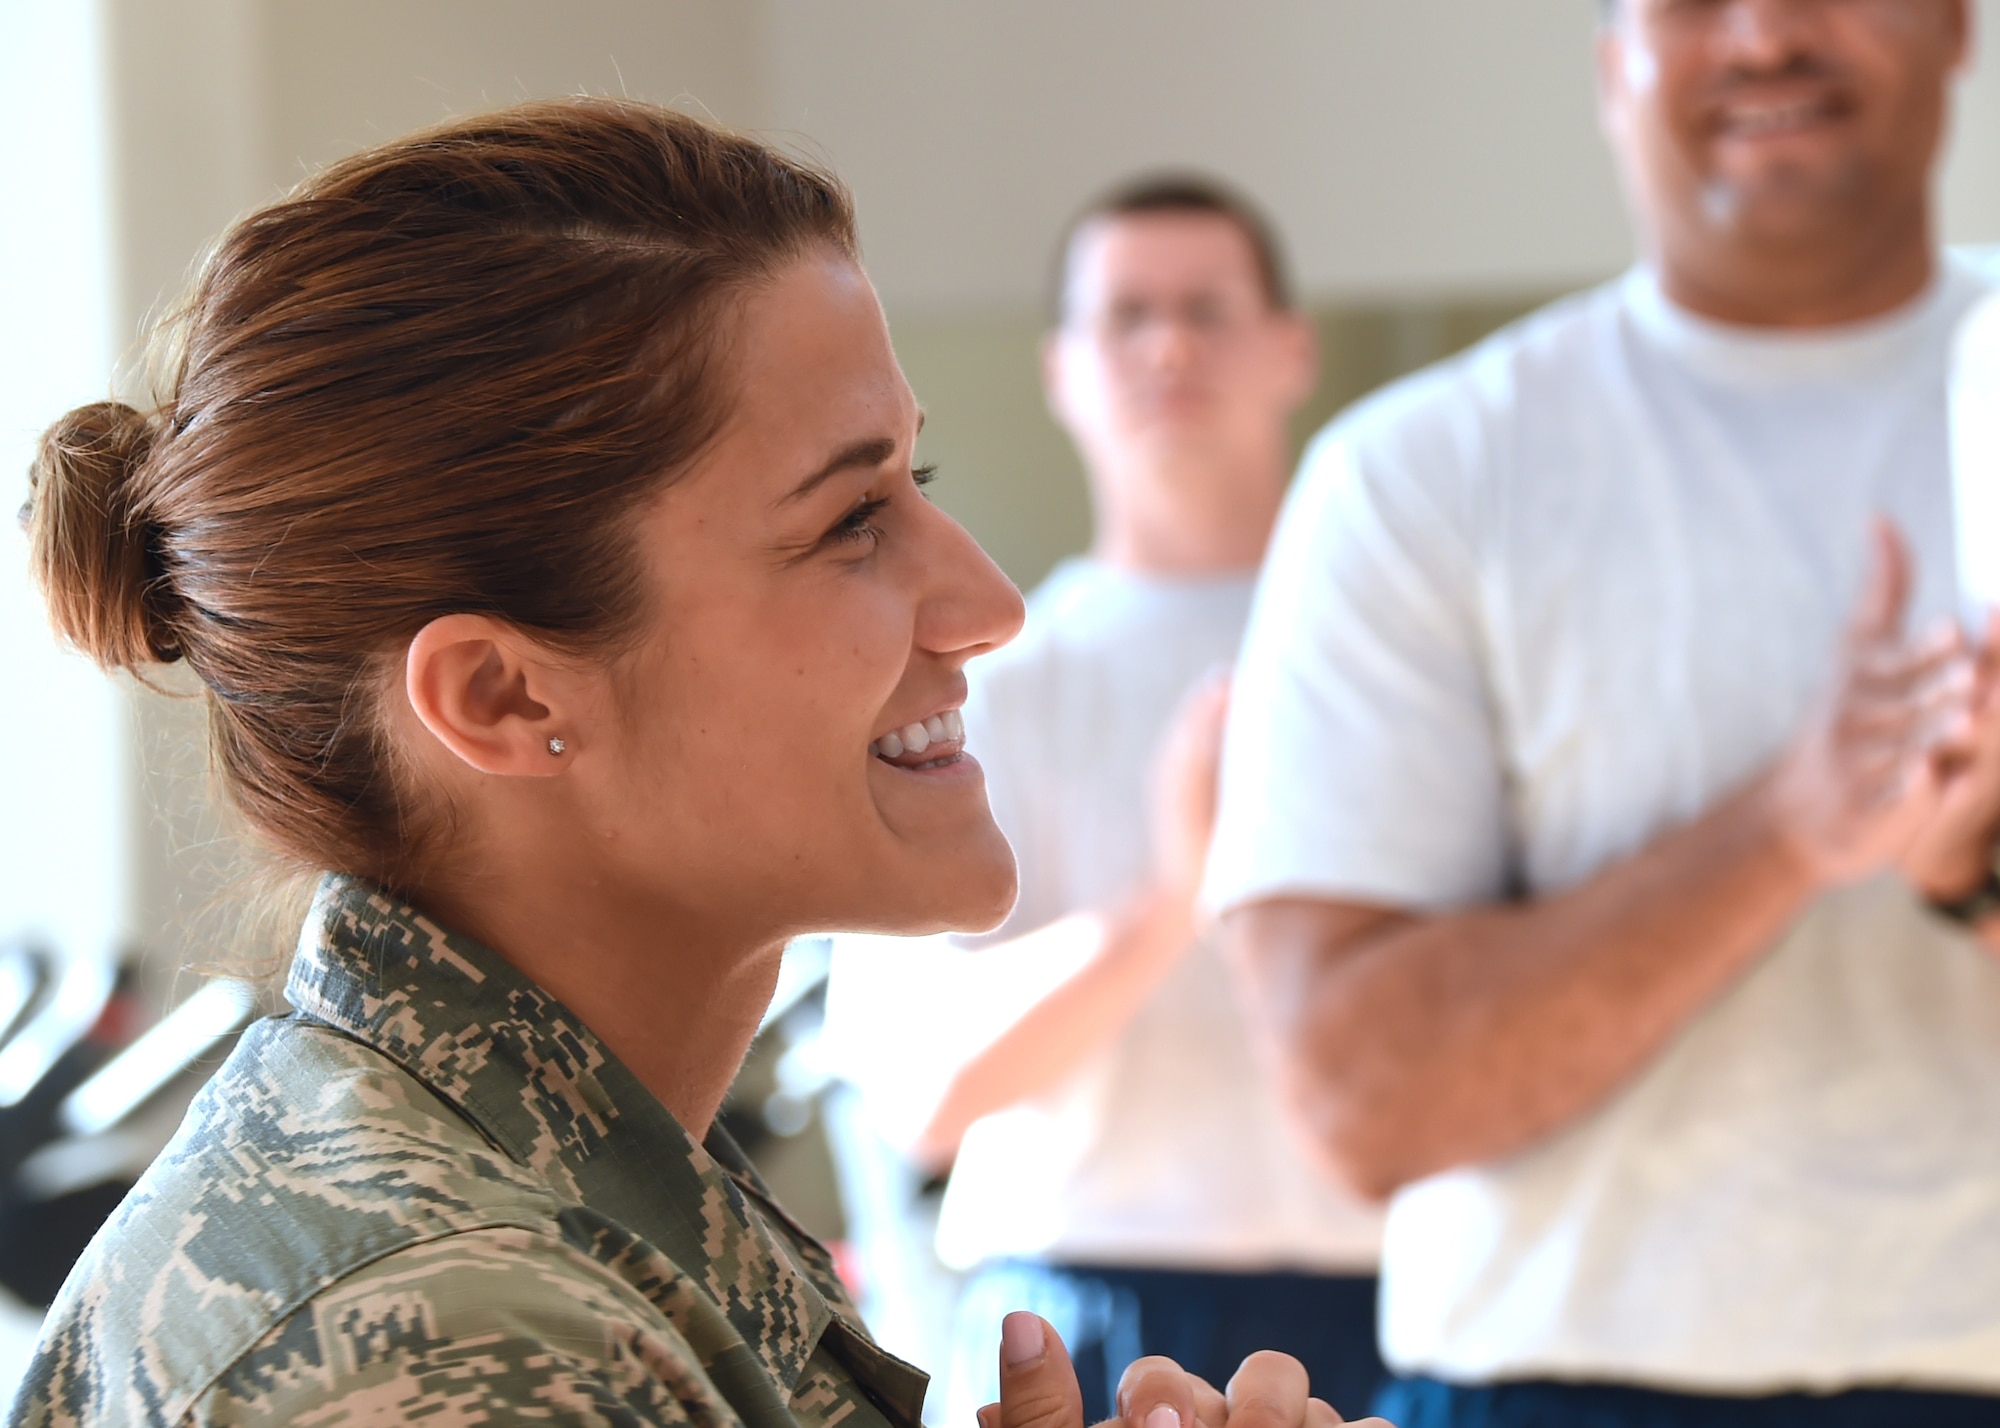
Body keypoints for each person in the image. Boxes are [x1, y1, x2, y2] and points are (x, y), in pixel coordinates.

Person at [8, 99, 1372, 1428]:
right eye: (850, 519)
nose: (987, 605)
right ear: (500, 694)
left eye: (919, 480)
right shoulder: (451, 1346)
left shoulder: (577, 1218)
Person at [1204, 2, 2000, 1425]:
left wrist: (1970, 870)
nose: (1765, 35)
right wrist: (1784, 832)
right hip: (1555, 1383)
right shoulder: (1423, 477)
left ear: (1955, 27)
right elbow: (1357, 1101)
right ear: (1610, 60)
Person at [823, 178, 1385, 1425]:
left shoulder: (1405, 661)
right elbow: (921, 1097)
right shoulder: (969, 683)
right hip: (1079, 1313)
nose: (1168, 345)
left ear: (1290, 347)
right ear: (1064, 369)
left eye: (1205, 308)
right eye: (1126, 314)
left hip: (1398, 1302)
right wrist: (1172, 903)